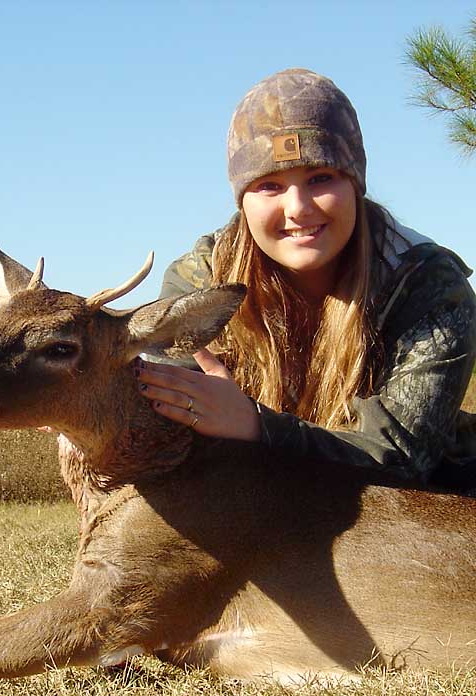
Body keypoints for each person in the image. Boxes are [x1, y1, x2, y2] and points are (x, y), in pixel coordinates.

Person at [135, 68, 476, 489]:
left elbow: (402, 459)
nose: (297, 208)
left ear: (355, 184)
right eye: (269, 186)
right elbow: (158, 412)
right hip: (257, 499)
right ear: (243, 201)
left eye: (320, 178)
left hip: (411, 509)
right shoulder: (201, 278)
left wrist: (255, 426)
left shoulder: (431, 286)